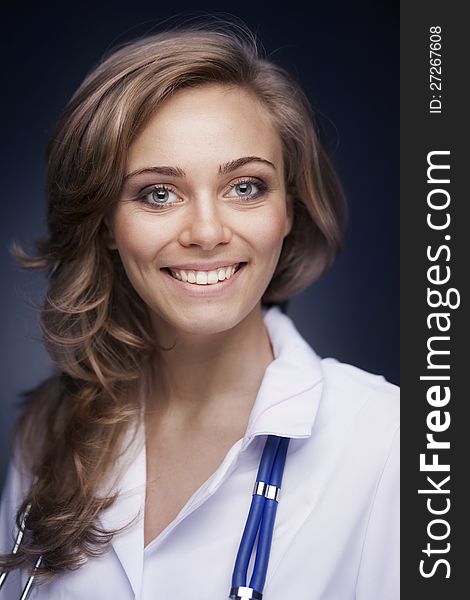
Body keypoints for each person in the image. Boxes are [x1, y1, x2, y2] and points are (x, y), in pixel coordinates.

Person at [0, 19, 399, 600]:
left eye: (246, 187)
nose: (207, 232)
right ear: (107, 223)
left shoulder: (392, 442)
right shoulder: (49, 437)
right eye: (158, 193)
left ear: (290, 208)